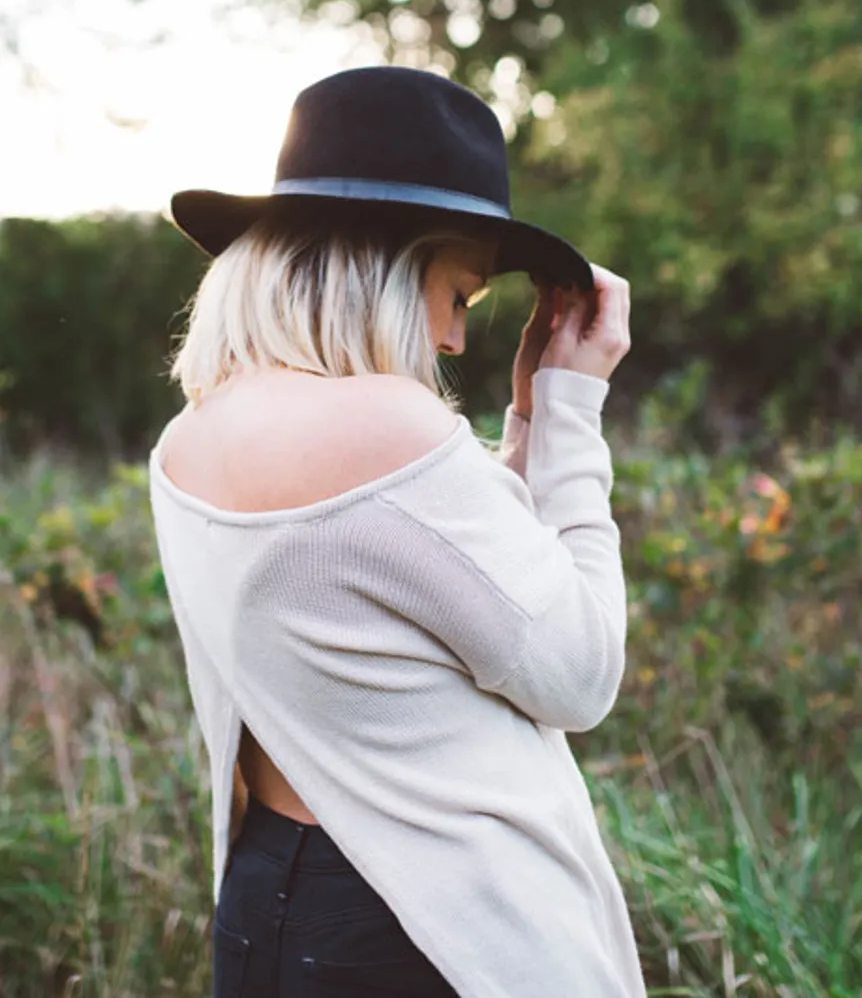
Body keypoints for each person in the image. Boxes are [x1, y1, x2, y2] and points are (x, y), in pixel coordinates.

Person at [148, 66, 645, 998]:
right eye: (459, 294)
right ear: (383, 267)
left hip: (266, 903)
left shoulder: (187, 439)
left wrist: (526, 423)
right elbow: (579, 673)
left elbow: (425, 576)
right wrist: (572, 412)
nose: (456, 340)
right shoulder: (389, 425)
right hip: (425, 924)